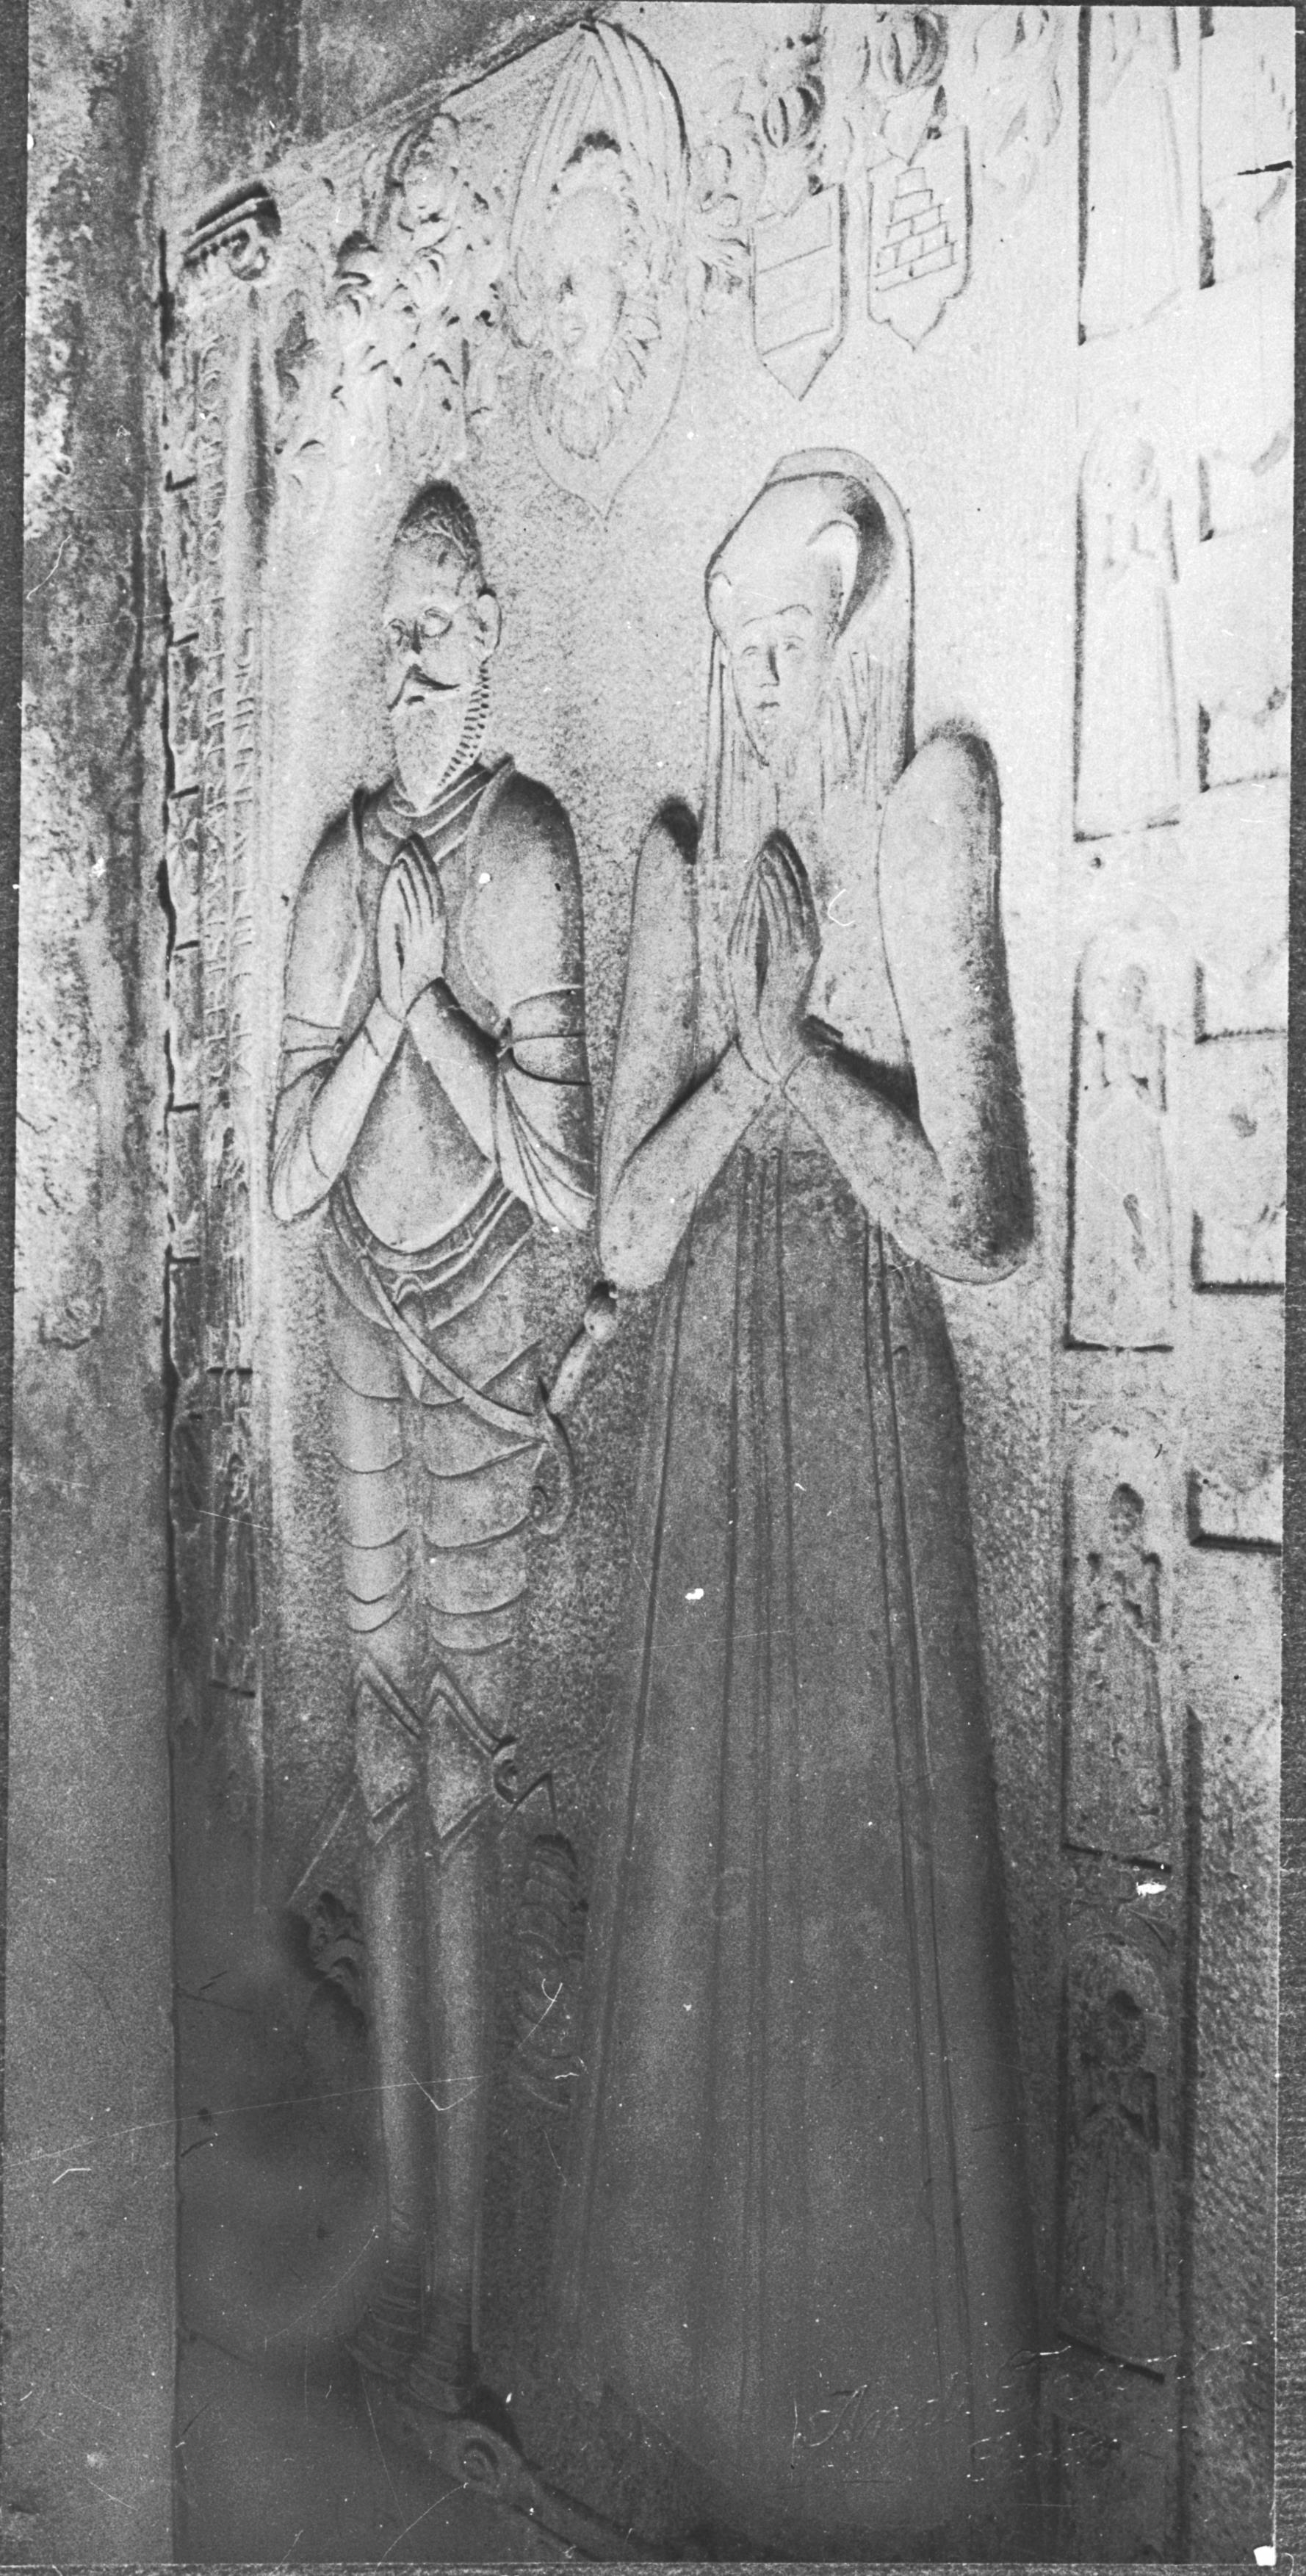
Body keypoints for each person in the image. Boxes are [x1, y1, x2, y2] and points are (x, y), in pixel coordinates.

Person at [554, 451, 1038, 2554]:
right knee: (695, 1878)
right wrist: (747, 1063)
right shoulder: (682, 862)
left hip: (862, 1422)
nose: (762, 688)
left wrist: (803, 1064)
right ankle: (676, 2411)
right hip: (704, 1419)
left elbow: (984, 1218)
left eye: (792, 645)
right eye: (735, 650)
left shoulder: (924, 815)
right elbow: (624, 1229)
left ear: (852, 634)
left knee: (858, 1881)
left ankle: (887, 2450)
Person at [270, 481, 594, 2417]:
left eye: (438, 627)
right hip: (358, 1341)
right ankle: (407, 2251)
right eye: (389, 629)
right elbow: (289, 1176)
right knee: (388, 1773)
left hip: (476, 1339)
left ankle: (469, 2288)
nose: (406, 662)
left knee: (462, 1779)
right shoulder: (339, 864)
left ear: (489, 643)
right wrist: (381, 1018)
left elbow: (561, 1188)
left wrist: (426, 1018)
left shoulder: (526, 849)